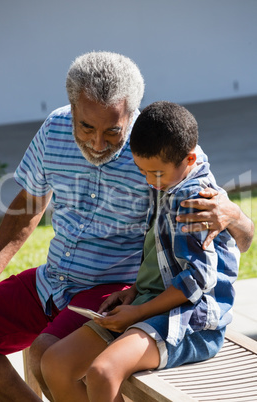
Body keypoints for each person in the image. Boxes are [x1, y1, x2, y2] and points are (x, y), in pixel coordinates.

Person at [0, 52, 253, 402]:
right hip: (52, 280)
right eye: (86, 127)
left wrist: (235, 216)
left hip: (113, 286)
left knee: (45, 354)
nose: (98, 144)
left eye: (112, 131)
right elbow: (30, 203)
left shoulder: (160, 150)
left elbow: (239, 238)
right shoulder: (53, 129)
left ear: (132, 114)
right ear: (71, 108)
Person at [40, 101, 241, 402]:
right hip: (149, 304)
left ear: (189, 160)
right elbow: (166, 258)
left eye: (156, 174)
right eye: (142, 171)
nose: (149, 181)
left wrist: (138, 312)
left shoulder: (195, 201)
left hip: (190, 321)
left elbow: (196, 281)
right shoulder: (167, 181)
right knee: (55, 363)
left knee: (103, 372)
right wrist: (134, 291)